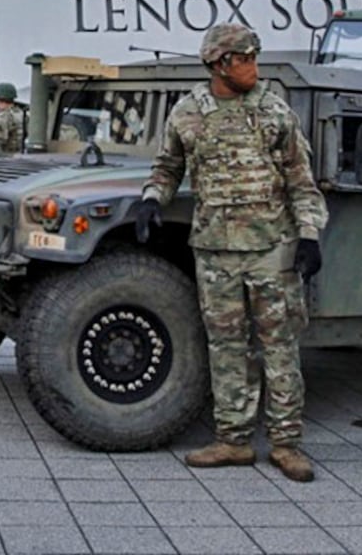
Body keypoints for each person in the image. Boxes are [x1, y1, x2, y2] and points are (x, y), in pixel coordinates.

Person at [129, 24, 328, 483]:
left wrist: (310, 235)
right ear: (221, 64)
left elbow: (301, 179)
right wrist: (151, 200)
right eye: (247, 58)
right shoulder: (188, 113)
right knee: (226, 347)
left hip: (270, 248)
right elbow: (167, 168)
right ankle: (234, 440)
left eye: (256, 56)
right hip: (215, 249)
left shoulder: (275, 112)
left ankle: (286, 443)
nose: (254, 66)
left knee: (279, 347)